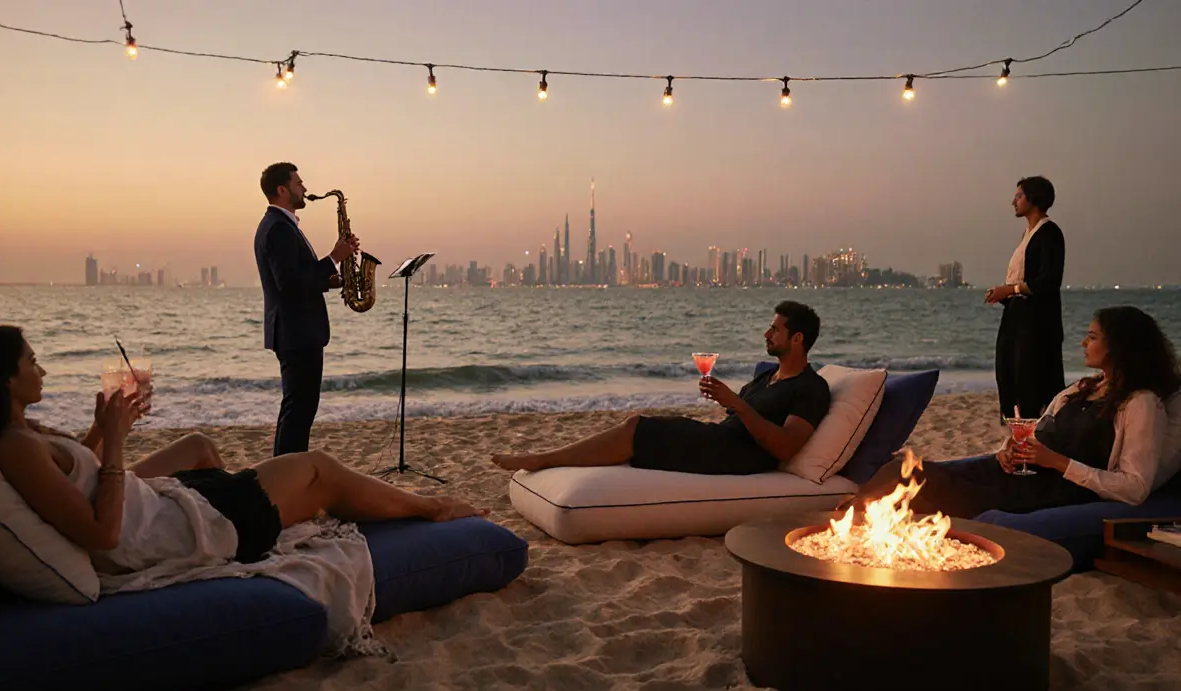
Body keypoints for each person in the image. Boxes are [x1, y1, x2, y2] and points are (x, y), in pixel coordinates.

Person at [0, 326, 483, 572]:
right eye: (32, 361)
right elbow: (102, 533)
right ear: (5, 379)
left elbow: (71, 479)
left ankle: (255, 509)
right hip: (163, 527)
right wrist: (117, 444)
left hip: (153, 505)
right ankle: (432, 507)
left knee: (200, 446)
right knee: (319, 468)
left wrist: (103, 427)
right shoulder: (15, 447)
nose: (42, 368)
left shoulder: (20, 435)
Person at [844, 306, 1179, 518]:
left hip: (1049, 491)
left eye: (1091, 337)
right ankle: (843, 516)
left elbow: (1134, 488)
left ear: (1118, 347)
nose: (1083, 343)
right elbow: (1039, 433)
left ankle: (845, 522)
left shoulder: (1140, 403)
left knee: (933, 491)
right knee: (901, 470)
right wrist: (1011, 450)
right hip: (1015, 472)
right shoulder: (1083, 388)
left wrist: (1057, 463)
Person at [491, 301, 832, 475]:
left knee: (637, 427)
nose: (766, 334)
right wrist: (727, 401)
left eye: (774, 330)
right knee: (645, 427)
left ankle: (541, 460)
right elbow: (738, 414)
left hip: (738, 456)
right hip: (720, 439)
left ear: (797, 339)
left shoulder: (810, 388)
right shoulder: (767, 376)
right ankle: (549, 459)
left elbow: (786, 448)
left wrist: (738, 404)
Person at [255, 162, 361, 457]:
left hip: (297, 332)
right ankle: (288, 476)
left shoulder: (282, 225)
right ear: (282, 189)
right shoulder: (278, 228)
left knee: (299, 411)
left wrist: (331, 279)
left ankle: (288, 473)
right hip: (296, 333)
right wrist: (333, 258)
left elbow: (297, 277)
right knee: (298, 412)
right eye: (298, 183)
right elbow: (287, 284)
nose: (304, 188)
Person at [985, 176, 1066, 422]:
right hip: (1018, 319)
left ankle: (1033, 433)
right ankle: (1017, 426)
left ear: (1033, 199)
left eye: (1019, 196)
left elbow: (1049, 280)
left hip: (1036, 324)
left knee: (1030, 378)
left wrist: (1010, 290)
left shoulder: (1049, 233)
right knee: (1010, 372)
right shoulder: (1028, 235)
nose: (1014, 201)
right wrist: (1004, 295)